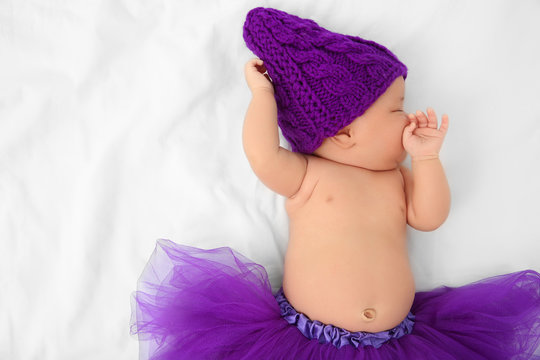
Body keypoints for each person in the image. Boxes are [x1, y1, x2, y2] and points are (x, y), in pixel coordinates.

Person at [130, 7, 540, 359]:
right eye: (397, 108)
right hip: (305, 341)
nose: (408, 118)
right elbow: (263, 155)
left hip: (399, 342)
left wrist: (427, 158)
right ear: (344, 133)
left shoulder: (396, 179)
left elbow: (430, 217)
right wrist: (262, 97)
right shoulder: (309, 176)